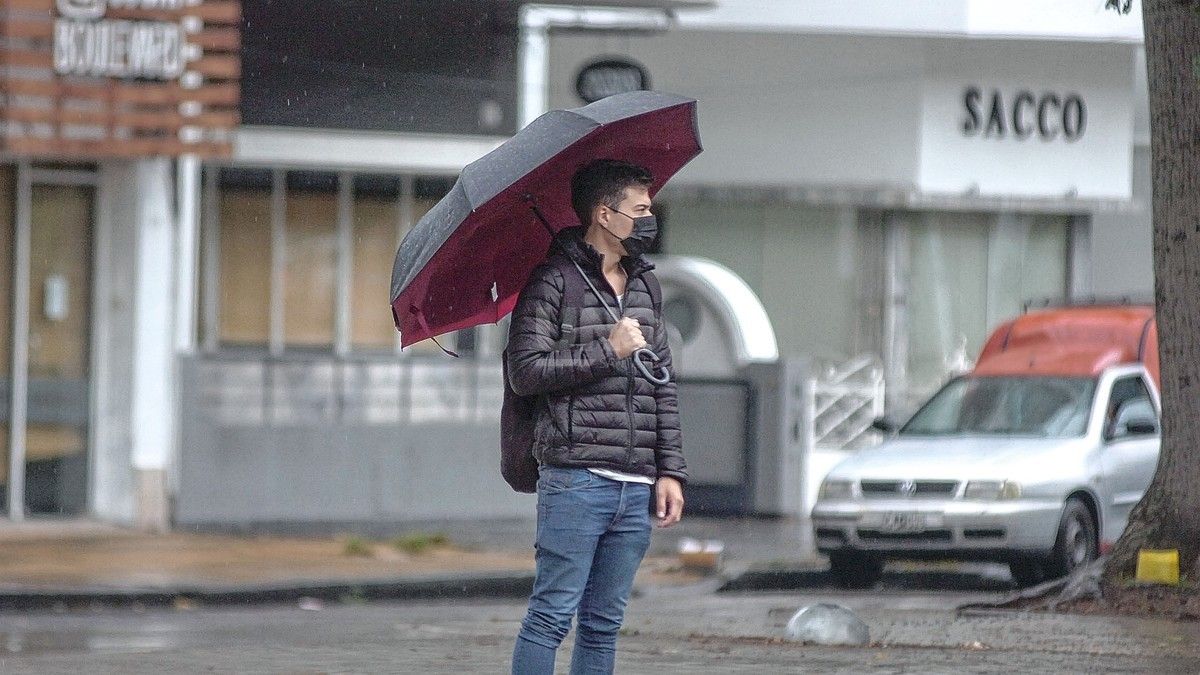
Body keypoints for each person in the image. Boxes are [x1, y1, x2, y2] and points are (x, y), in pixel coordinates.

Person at [507, 159, 687, 674]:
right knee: (551, 615)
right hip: (577, 478)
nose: (650, 219)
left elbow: (663, 385)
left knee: (604, 623)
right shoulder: (552, 281)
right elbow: (526, 372)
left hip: (636, 483)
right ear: (605, 215)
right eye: (641, 209)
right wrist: (607, 349)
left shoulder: (644, 284)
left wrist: (669, 469)